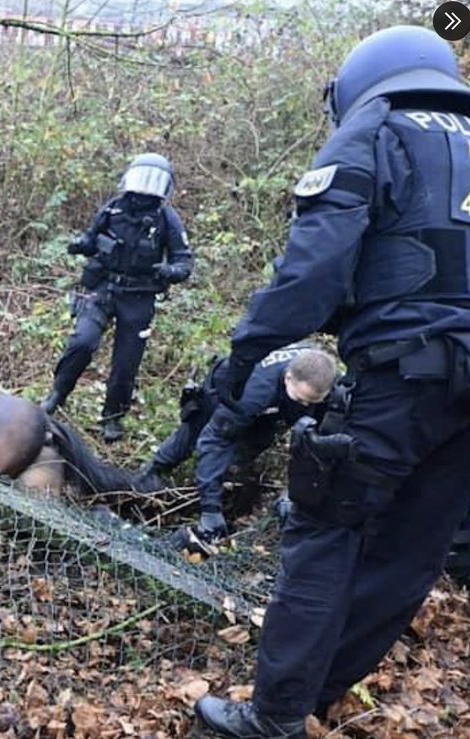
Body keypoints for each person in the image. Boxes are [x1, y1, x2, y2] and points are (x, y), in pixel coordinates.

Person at [194, 26, 470, 738]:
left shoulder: (375, 132)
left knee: (324, 528)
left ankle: (274, 716)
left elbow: (311, 274)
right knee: (412, 551)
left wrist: (241, 361)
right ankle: (315, 696)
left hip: (403, 375)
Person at [40, 153, 194, 442]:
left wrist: (170, 271)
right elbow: (92, 237)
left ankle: (113, 417)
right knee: (82, 342)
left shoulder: (166, 218)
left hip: (139, 297)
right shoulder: (114, 208)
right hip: (103, 288)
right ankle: (58, 394)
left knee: (126, 362)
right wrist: (82, 245)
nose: (144, 188)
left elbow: (184, 261)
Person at [147, 344, 337, 547]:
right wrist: (210, 509)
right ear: (288, 378)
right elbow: (215, 442)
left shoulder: (323, 377)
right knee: (195, 434)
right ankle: (154, 472)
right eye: (301, 399)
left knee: (247, 452)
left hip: (274, 409)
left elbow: (324, 434)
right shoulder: (252, 393)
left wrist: (295, 492)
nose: (306, 406)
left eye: (313, 401)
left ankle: (232, 494)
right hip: (225, 393)